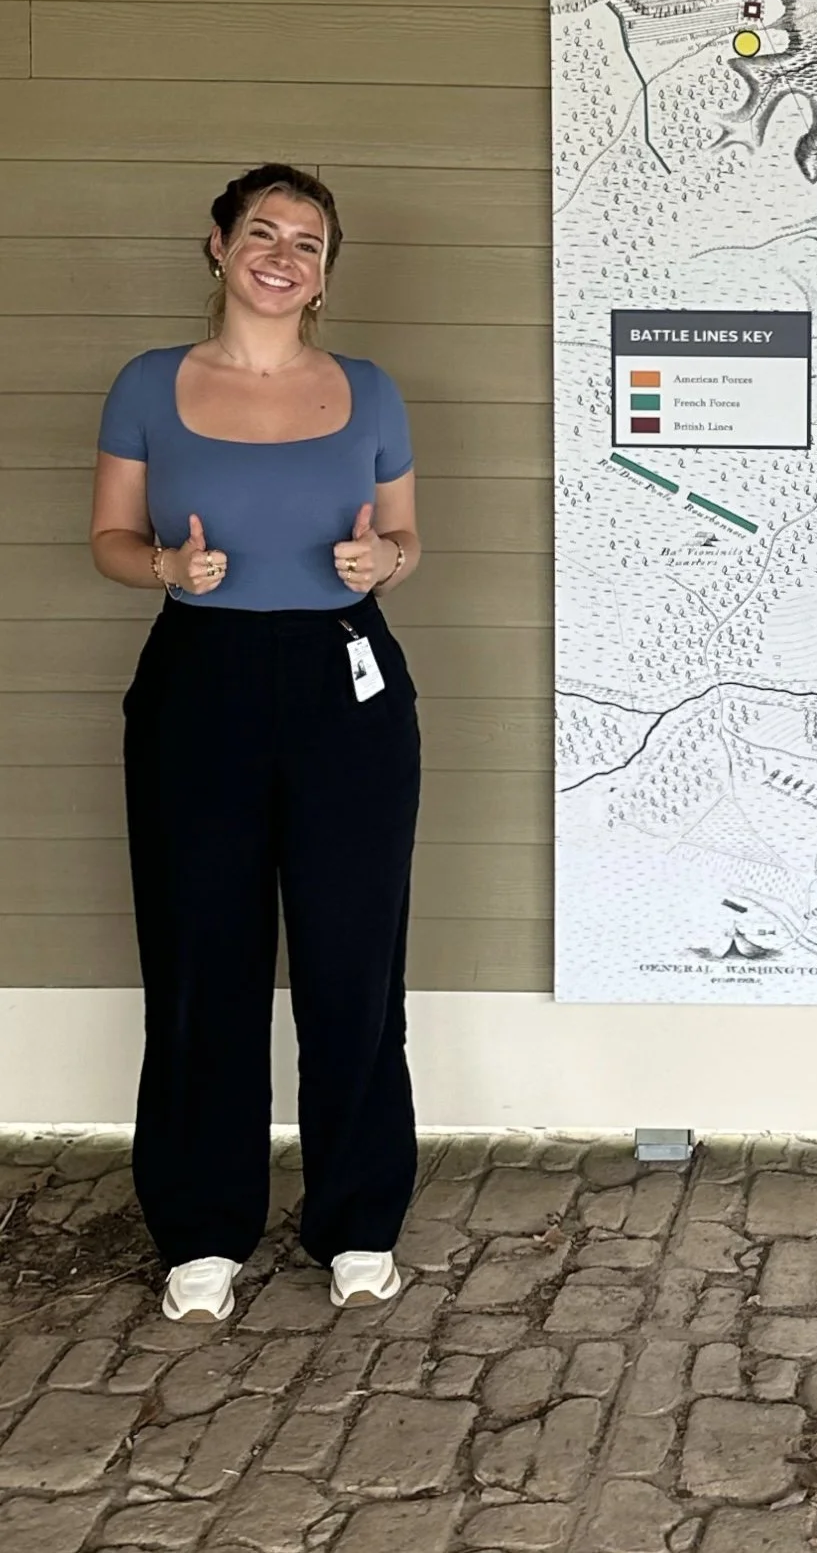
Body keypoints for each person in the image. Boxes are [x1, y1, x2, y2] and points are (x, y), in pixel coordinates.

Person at [89, 162, 425, 1327]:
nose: (285, 254)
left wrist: (384, 563)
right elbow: (111, 536)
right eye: (265, 231)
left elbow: (406, 538)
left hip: (348, 680)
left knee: (353, 960)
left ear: (327, 270)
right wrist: (167, 569)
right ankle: (202, 1225)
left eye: (310, 240)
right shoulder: (147, 384)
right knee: (200, 957)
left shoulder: (371, 390)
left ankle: (357, 1217)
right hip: (200, 680)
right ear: (220, 244)